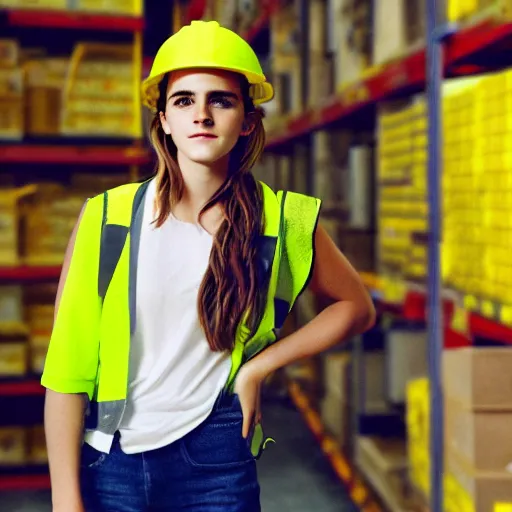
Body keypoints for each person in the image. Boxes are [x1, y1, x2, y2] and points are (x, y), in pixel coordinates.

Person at [41, 20, 375, 512]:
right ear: (164, 121)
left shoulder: (280, 220)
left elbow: (356, 307)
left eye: (220, 99)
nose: (201, 114)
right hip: (111, 463)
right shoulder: (106, 218)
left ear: (246, 121)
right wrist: (65, 500)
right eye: (183, 101)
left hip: (217, 461)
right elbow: (66, 372)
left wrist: (259, 368)